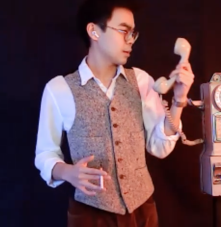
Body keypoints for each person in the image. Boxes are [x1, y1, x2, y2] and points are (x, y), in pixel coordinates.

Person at [34, 0, 195, 226]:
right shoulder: (58, 89)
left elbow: (159, 147)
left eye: (133, 34)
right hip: (90, 215)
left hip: (143, 212)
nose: (130, 41)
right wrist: (67, 172)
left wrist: (178, 100)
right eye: (123, 31)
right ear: (94, 31)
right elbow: (45, 154)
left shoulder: (141, 81)